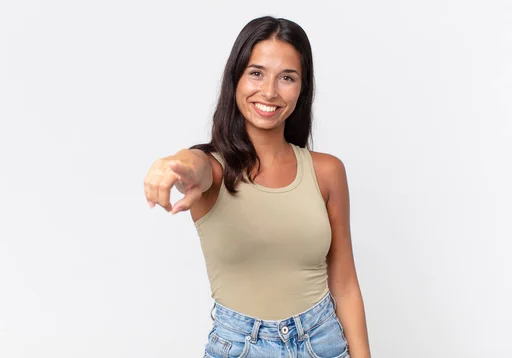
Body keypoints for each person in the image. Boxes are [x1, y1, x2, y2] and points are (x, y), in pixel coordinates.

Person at [144, 16, 371, 358]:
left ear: (302, 88)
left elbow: (345, 285)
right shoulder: (215, 172)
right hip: (240, 346)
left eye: (287, 78)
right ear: (235, 78)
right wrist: (173, 163)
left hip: (321, 342)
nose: (269, 91)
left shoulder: (327, 171)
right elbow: (196, 165)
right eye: (256, 72)